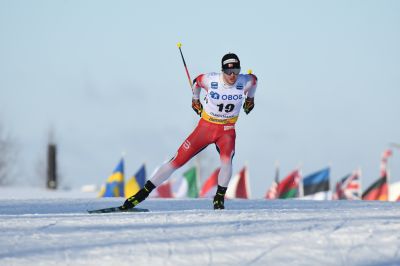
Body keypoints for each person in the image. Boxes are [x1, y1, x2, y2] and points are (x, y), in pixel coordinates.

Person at [121, 53, 258, 210]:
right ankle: (142, 194)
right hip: (206, 127)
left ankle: (219, 198)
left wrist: (250, 100)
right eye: (228, 72)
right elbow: (196, 82)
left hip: (227, 131)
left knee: (227, 163)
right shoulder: (210, 80)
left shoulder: (246, 81)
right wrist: (195, 100)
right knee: (177, 161)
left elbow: (254, 82)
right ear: (222, 71)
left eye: (236, 71)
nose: (232, 75)